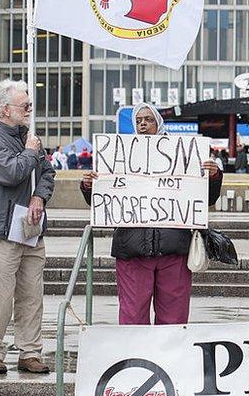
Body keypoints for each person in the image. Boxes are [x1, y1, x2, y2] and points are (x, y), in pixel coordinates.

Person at [81, 103, 222, 324]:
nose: (143, 124)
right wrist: (90, 186)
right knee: (132, 316)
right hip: (133, 250)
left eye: (148, 119)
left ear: (159, 123)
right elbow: (104, 202)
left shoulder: (182, 155)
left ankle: (170, 359)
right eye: (138, 121)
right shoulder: (120, 156)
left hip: (173, 250)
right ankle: (135, 357)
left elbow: (207, 199)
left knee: (173, 318)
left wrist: (213, 177)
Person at [0, 80, 55, 374]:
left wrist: (39, 195)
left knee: (31, 294)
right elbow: (12, 173)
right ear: (5, 110)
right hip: (2, 227)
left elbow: (47, 173)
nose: (29, 110)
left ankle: (30, 350)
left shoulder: (29, 138)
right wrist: (32, 152)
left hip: (29, 226)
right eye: (25, 105)